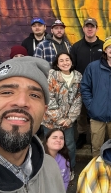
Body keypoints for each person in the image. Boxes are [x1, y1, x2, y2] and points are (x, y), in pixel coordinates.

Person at [0, 57, 65, 192]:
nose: (22, 102)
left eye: (34, 95)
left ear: (44, 112)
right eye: (7, 92)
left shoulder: (50, 167)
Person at [42, 52, 82, 181]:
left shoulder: (78, 77)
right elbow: (49, 97)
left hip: (68, 122)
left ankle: (69, 169)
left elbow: (78, 99)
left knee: (69, 145)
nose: (65, 63)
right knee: (50, 145)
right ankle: (49, 170)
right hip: (51, 120)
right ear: (57, 64)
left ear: (71, 61)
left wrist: (70, 118)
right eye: (61, 61)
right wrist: (59, 118)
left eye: (67, 60)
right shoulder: (52, 76)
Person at [71, 17, 104, 149]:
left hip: (100, 85)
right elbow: (71, 67)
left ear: (96, 29)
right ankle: (82, 135)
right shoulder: (76, 47)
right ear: (83, 28)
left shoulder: (103, 46)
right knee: (82, 113)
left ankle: (99, 136)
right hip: (81, 85)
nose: (90, 29)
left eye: (92, 26)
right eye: (87, 26)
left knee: (98, 110)